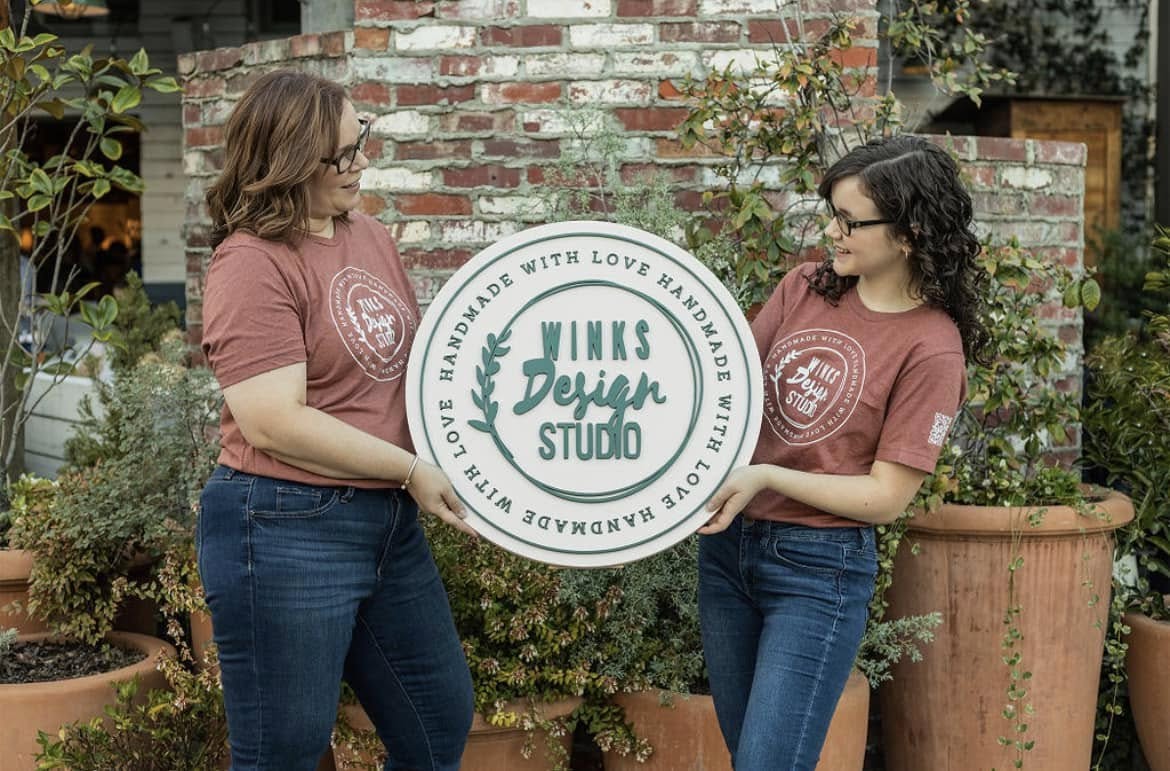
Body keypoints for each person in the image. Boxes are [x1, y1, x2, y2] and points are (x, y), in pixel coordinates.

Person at [198, 69, 475, 771]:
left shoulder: (369, 235)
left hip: (385, 524)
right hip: (284, 522)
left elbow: (404, 373)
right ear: (290, 160)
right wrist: (412, 468)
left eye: (362, 142)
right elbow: (274, 422)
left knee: (438, 715)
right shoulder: (251, 263)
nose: (362, 164)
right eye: (344, 155)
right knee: (284, 751)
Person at [697, 135, 990, 771]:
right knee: (746, 755)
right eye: (831, 213)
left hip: (816, 571)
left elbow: (886, 497)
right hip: (728, 553)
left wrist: (767, 475)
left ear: (909, 234)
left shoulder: (931, 349)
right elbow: (727, 389)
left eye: (849, 221)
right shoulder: (804, 288)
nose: (832, 231)